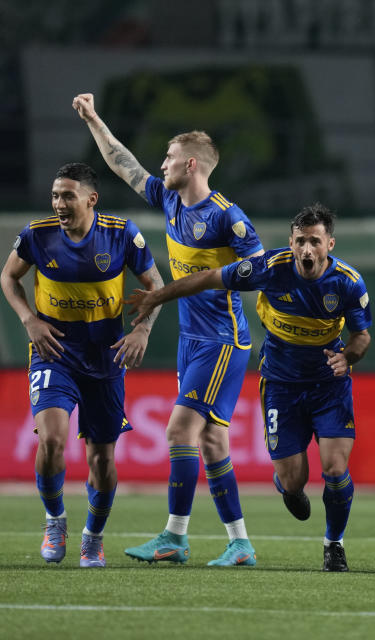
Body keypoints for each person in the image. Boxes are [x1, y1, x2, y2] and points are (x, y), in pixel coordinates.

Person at [73, 93, 264, 566]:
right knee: (213, 440)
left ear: (192, 164)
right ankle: (239, 543)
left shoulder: (227, 217)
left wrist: (180, 288)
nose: (162, 166)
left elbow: (259, 270)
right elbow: (124, 165)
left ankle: (174, 537)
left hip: (223, 339)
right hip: (190, 338)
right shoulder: (170, 199)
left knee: (180, 431)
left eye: (170, 158)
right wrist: (95, 118)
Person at [125, 204, 370, 571]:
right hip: (281, 385)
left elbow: (362, 335)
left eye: (315, 242)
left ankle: (333, 544)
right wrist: (158, 296)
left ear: (329, 244)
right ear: (290, 241)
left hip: (328, 385)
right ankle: (285, 489)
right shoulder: (269, 269)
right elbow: (210, 278)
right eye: (300, 241)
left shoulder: (348, 283)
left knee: (335, 470)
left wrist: (348, 357)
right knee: (292, 481)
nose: (306, 250)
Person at [0, 163, 163, 567]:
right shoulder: (37, 235)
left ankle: (93, 535)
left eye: (68, 195)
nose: (59, 203)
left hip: (105, 357)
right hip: (54, 352)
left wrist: (142, 331)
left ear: (91, 199)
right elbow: (8, 278)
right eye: (55, 195)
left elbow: (155, 285)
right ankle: (55, 521)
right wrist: (29, 320)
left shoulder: (121, 234)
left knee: (102, 460)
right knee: (52, 439)